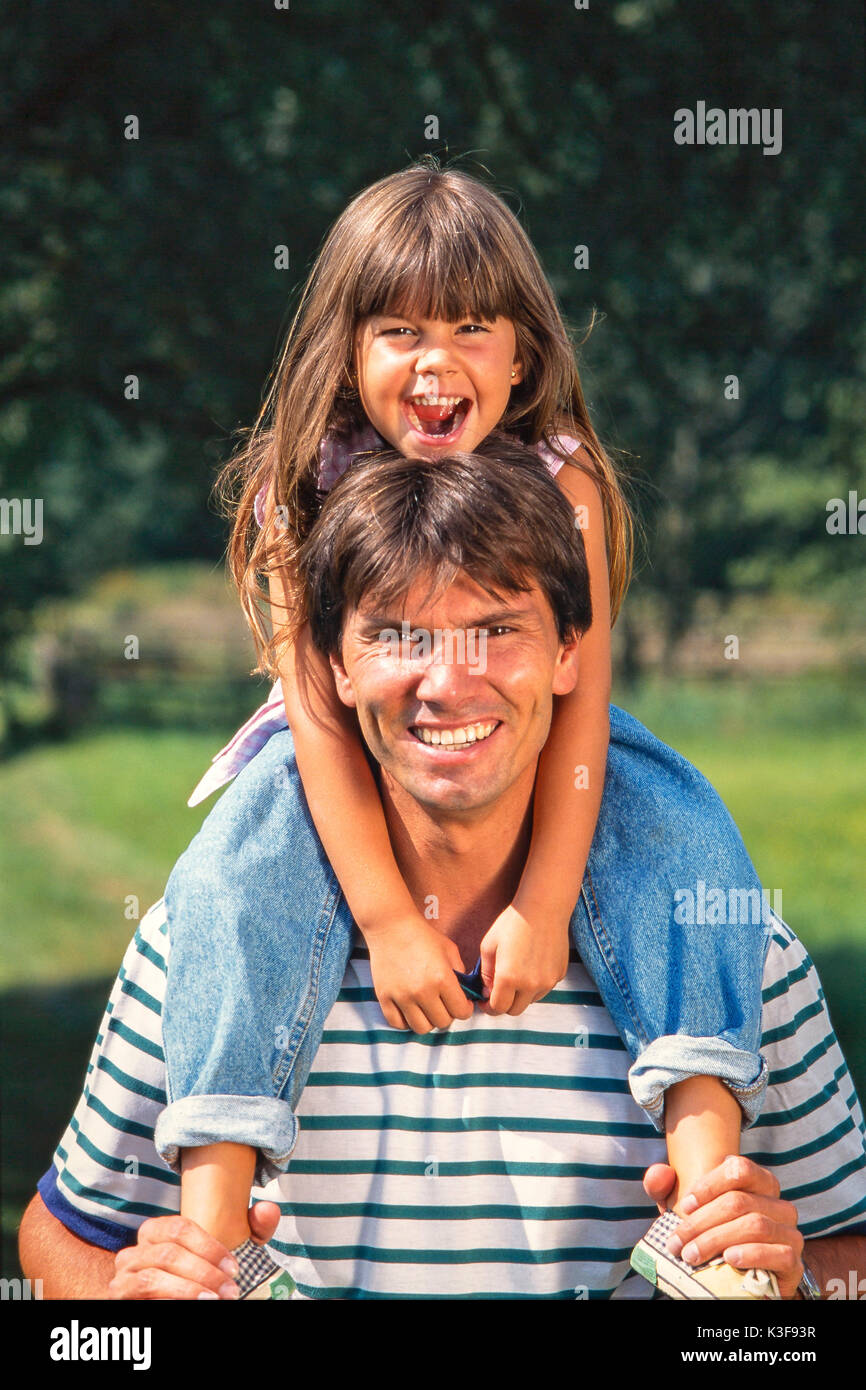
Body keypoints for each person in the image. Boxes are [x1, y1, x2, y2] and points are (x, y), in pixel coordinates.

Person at [19, 447, 866, 1299]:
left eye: (498, 630)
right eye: (396, 635)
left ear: (571, 651)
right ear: (334, 667)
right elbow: (63, 1239)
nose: (449, 683)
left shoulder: (725, 942)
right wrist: (124, 1317)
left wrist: (785, 1296)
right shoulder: (208, 935)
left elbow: (849, 1258)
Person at [147, 159, 773, 1284]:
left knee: (678, 829)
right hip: (341, 748)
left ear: (521, 353)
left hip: (537, 737)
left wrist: (541, 905)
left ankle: (707, 1206)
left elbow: (579, 716)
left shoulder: (563, 481)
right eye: (396, 330)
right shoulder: (299, 490)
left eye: (471, 327)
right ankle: (216, 1238)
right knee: (234, 875)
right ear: (347, 352)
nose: (434, 362)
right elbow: (320, 728)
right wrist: (387, 919)